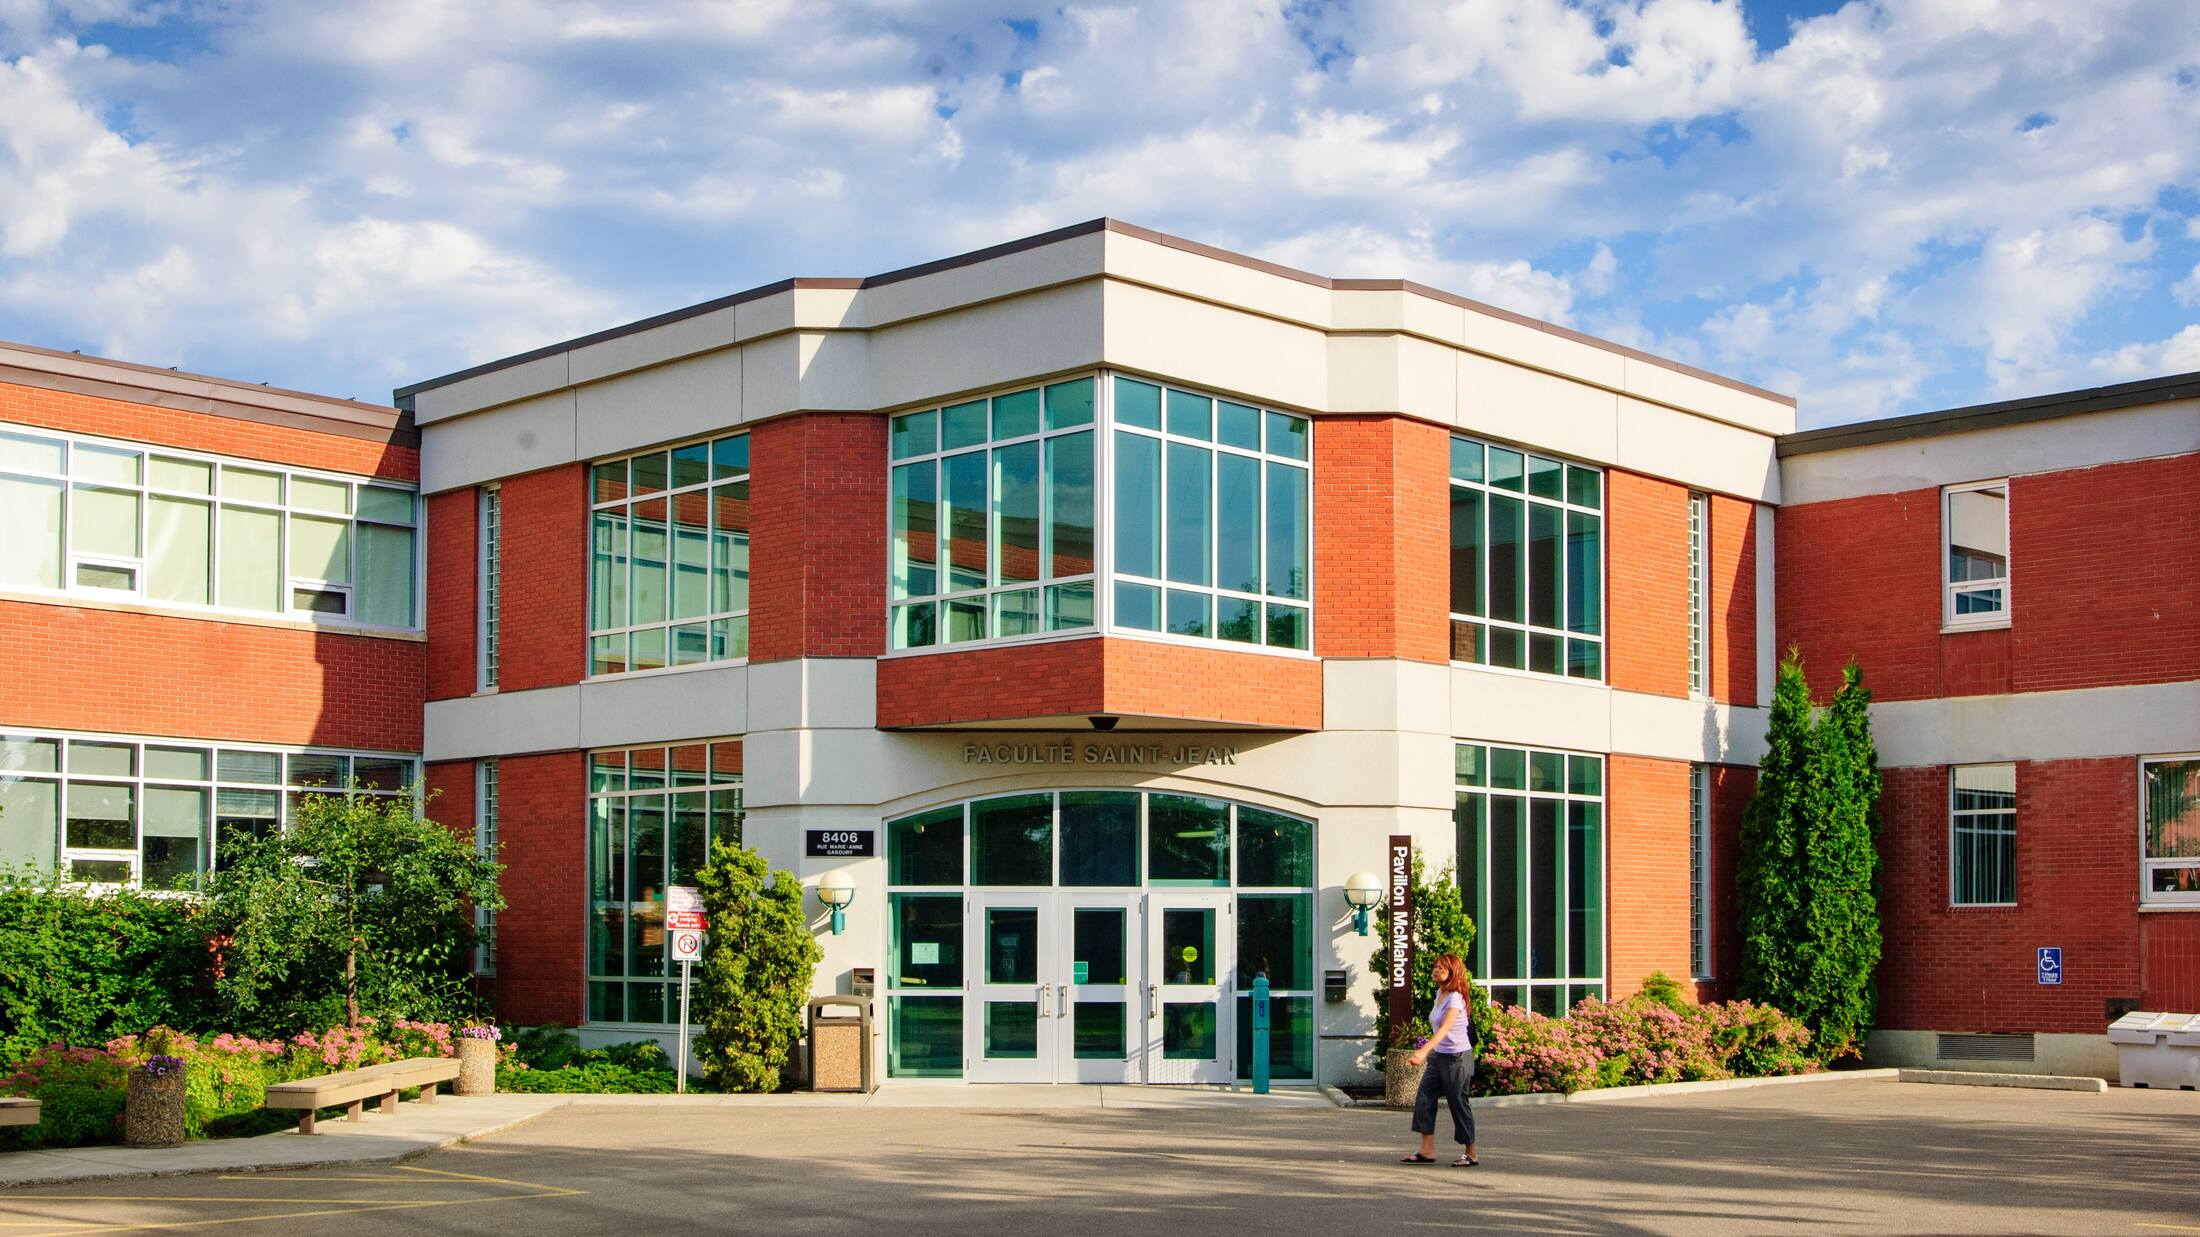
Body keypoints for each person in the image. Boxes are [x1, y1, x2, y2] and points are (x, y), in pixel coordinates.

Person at [1400, 953, 1479, 1167]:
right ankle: (1426, 1151)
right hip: (1440, 1057)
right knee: (1425, 1097)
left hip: (1457, 1058)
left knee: (1458, 1103)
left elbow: (1445, 1028)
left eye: (1441, 968)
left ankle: (1471, 1153)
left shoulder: (1455, 997)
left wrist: (1423, 1050)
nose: (1436, 970)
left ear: (1452, 972)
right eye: (1435, 966)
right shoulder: (1440, 993)